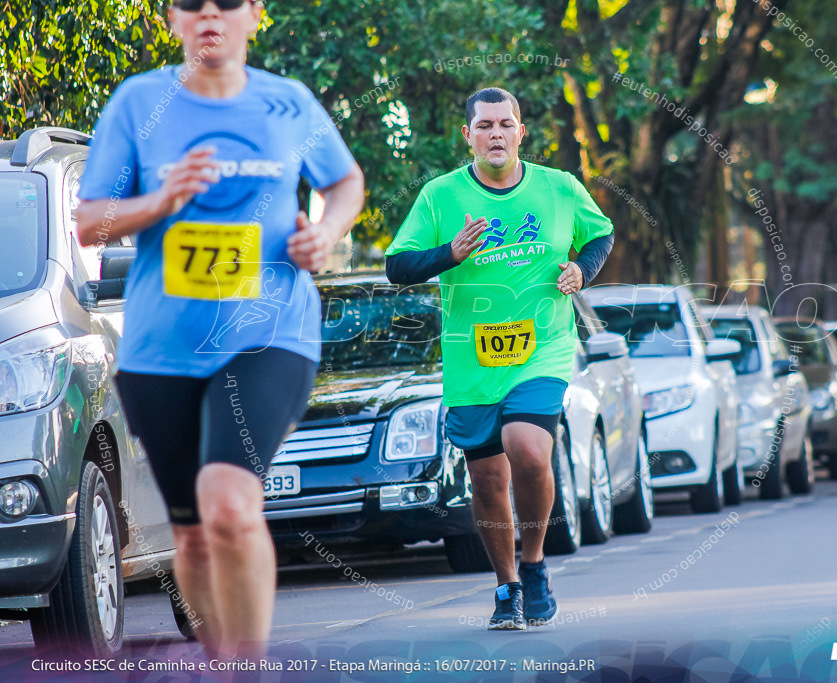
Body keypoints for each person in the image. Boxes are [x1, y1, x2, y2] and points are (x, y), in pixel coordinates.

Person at [75, 0, 364, 658]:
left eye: (227, 3)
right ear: (170, 18)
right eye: (190, 4)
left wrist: (326, 231)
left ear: (255, 14)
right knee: (195, 535)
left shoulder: (288, 103)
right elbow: (91, 220)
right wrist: (162, 200)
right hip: (161, 349)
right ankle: (225, 663)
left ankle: (249, 669)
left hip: (268, 333)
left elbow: (346, 182)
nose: (210, 15)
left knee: (229, 501)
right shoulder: (138, 102)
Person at [384, 87, 614, 630]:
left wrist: (582, 270)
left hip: (543, 346)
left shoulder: (559, 188)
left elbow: (599, 233)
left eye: (505, 124)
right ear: (467, 135)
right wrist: (449, 254)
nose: (495, 134)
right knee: (487, 481)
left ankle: (534, 565)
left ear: (520, 132)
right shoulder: (441, 197)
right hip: (473, 360)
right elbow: (398, 266)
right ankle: (507, 585)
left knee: (528, 448)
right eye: (484, 125)